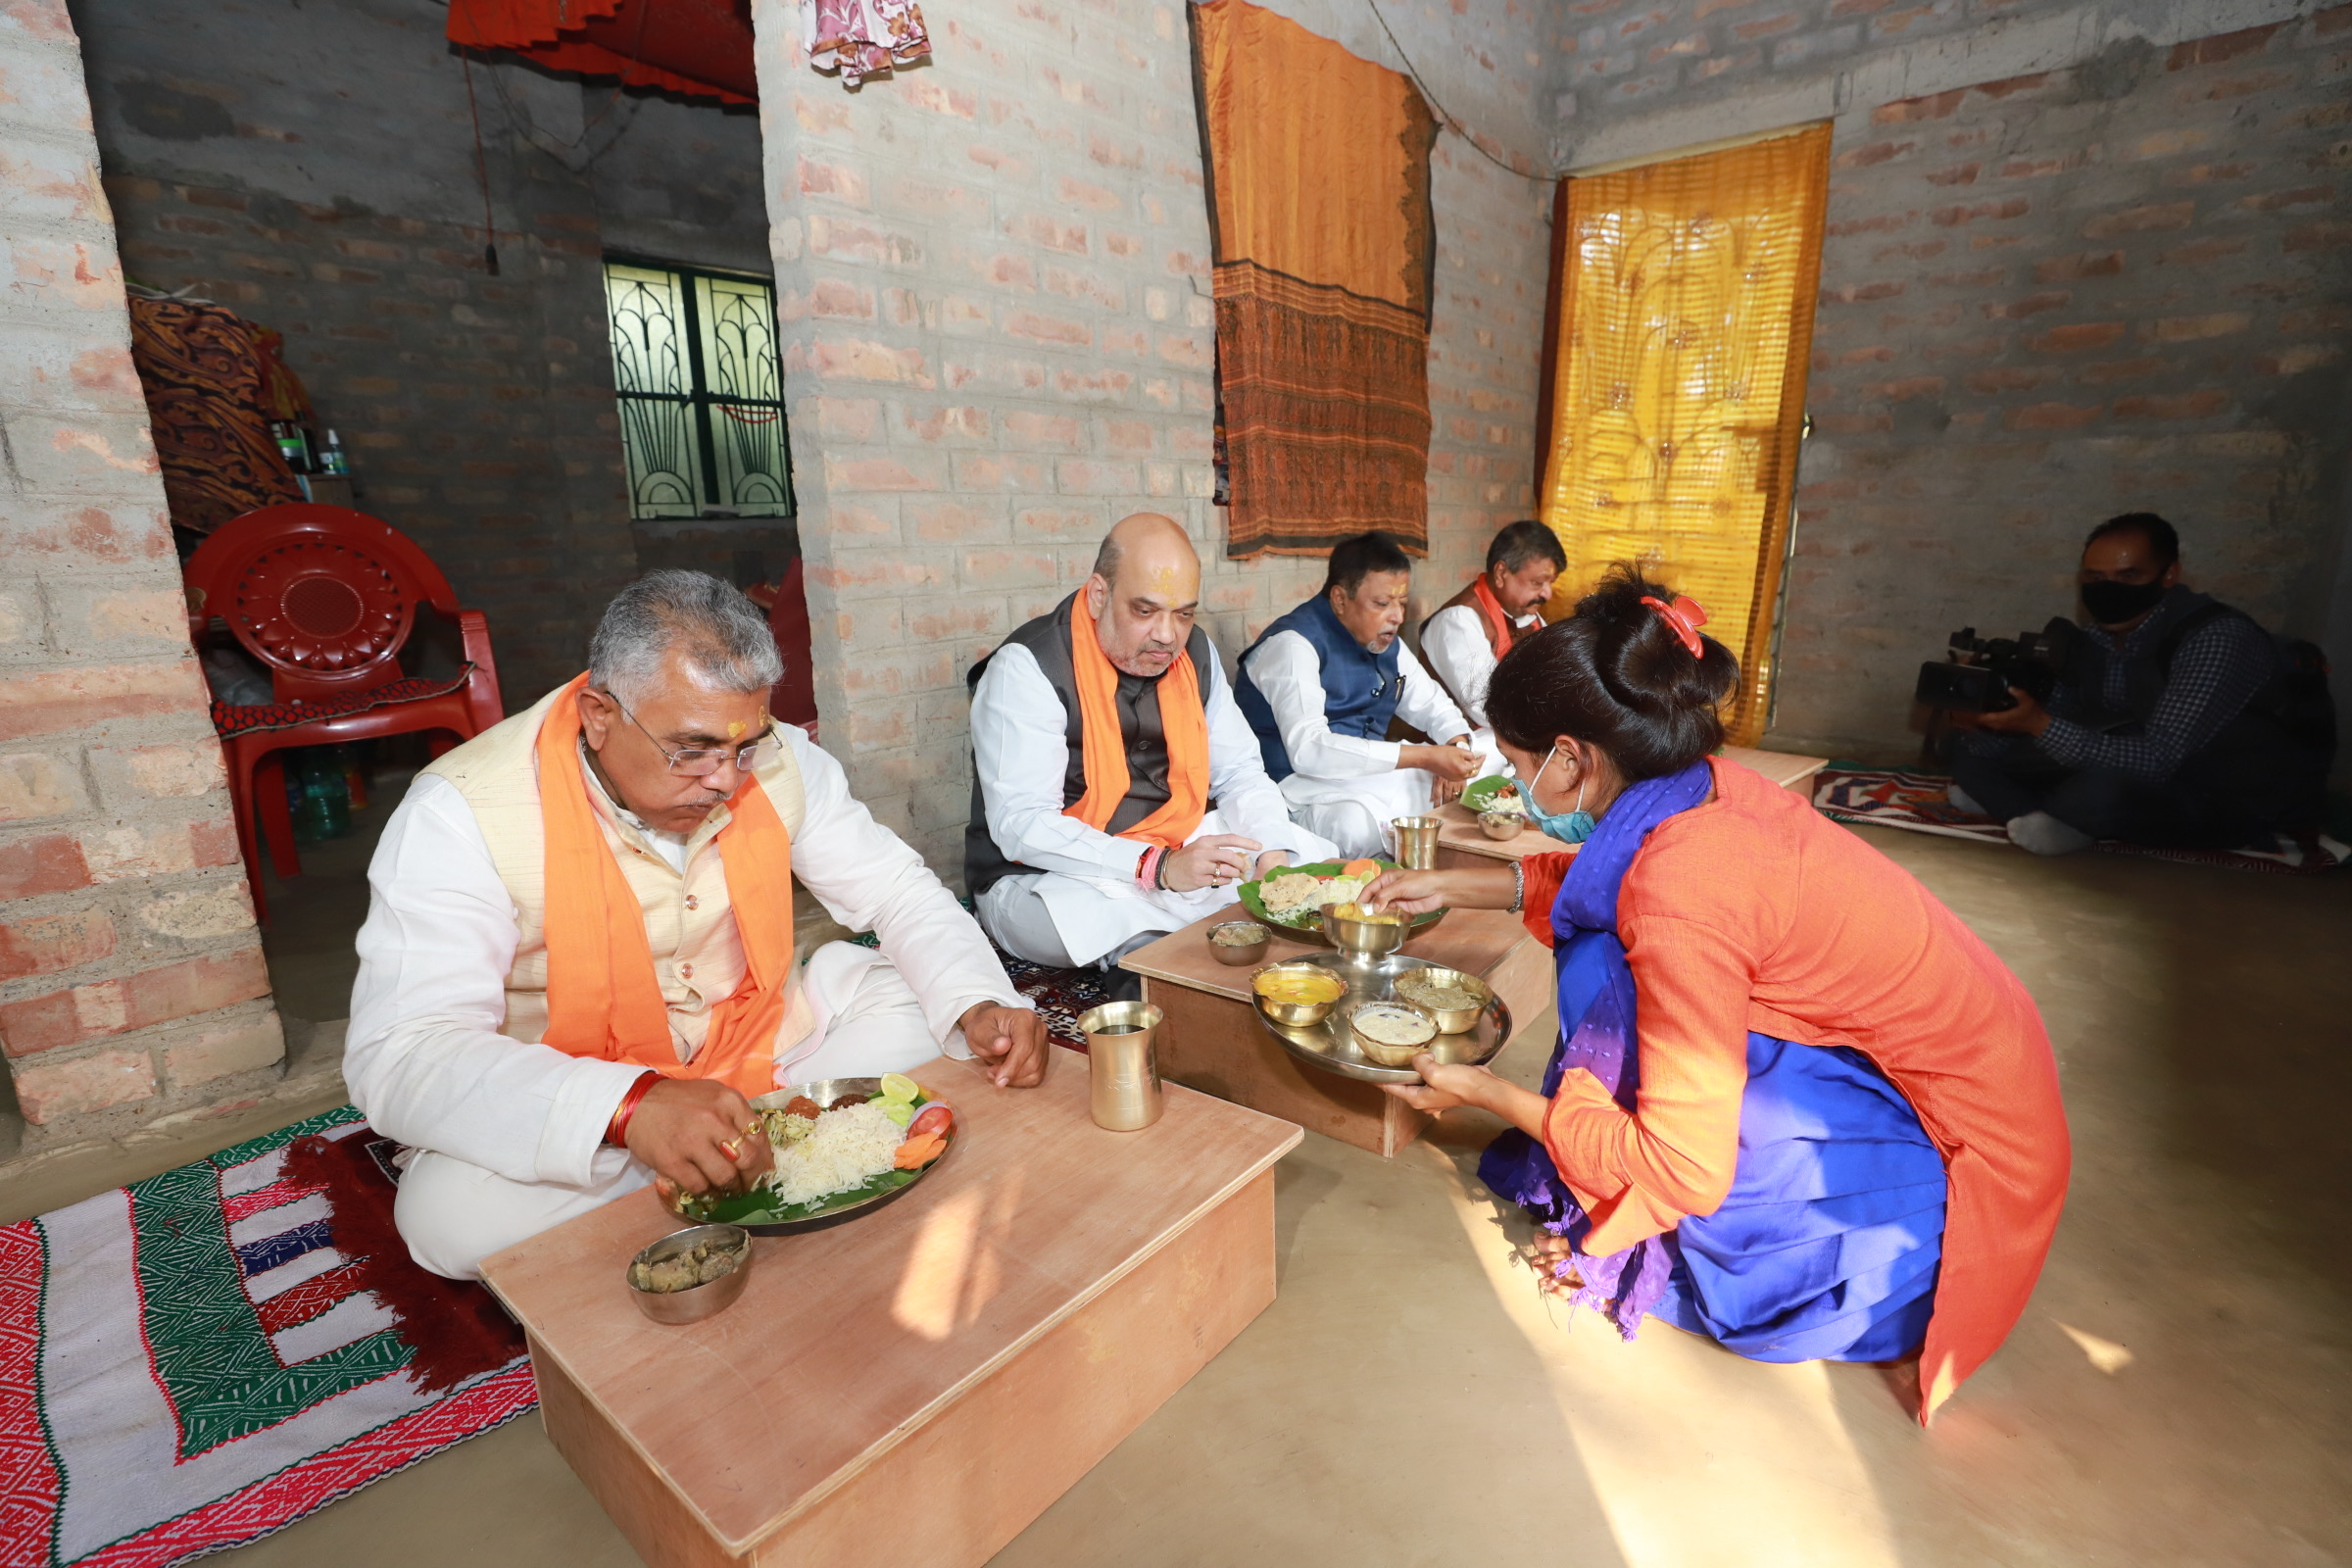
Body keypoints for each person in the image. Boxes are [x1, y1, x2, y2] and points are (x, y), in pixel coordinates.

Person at [1361, 567, 2069, 1422]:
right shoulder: (1704, 788)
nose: (1512, 788)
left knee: (1643, 1034)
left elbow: (1685, 1168)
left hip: (1961, 1177)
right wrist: (1464, 887)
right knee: (1607, 956)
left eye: (1517, 766)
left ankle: (1801, 1251)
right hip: (1971, 1077)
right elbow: (1604, 879)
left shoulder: (1685, 885)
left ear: (1574, 760)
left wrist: (1486, 1091)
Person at [348, 571, 1049, 1281]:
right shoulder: (463, 813)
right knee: (449, 1223)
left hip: (758, 1045)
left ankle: (728, 1145)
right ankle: (750, 1145)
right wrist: (626, 1109)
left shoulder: (777, 762)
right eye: (693, 749)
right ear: (598, 714)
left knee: (921, 1000)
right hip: (588, 1087)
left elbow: (897, 891)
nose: (725, 779)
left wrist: (978, 1000)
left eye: (745, 748)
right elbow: (400, 1050)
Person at [966, 513, 1337, 976]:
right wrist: (1155, 867)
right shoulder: (1029, 666)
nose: (1167, 634)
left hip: (1173, 846)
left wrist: (1272, 858)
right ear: (1100, 595)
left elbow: (1240, 771)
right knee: (1112, 924)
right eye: (1145, 611)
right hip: (1053, 874)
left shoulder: (1194, 653)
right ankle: (1156, 976)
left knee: (1311, 863)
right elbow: (1022, 824)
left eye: (1183, 613)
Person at [1947, 513, 2328, 856]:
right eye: (2095, 577)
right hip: (2126, 761)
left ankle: (2034, 809)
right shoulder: (2093, 640)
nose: (2108, 589)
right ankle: (2036, 812)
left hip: (2216, 787)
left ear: (2169, 575)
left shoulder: (2215, 638)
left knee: (2097, 794)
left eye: (2129, 576)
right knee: (1962, 747)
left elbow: (2158, 759)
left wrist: (2037, 725)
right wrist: (1987, 716)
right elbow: (2056, 719)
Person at [1235, 530, 1487, 859]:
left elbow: (1432, 704)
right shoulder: (1293, 644)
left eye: (1402, 603)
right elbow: (1308, 751)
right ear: (1340, 599)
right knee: (1356, 827)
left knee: (1490, 748)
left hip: (1367, 779)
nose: (1396, 616)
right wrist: (1425, 757)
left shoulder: (1385, 638)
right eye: (1382, 603)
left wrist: (1456, 745)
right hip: (1300, 789)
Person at [1420, 519, 1566, 730]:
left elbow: (1558, 682)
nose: (1547, 593)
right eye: (1537, 583)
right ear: (1501, 573)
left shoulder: (1529, 617)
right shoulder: (1458, 621)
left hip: (1515, 740)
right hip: (1462, 751)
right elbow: (1488, 709)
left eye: (1551, 583)